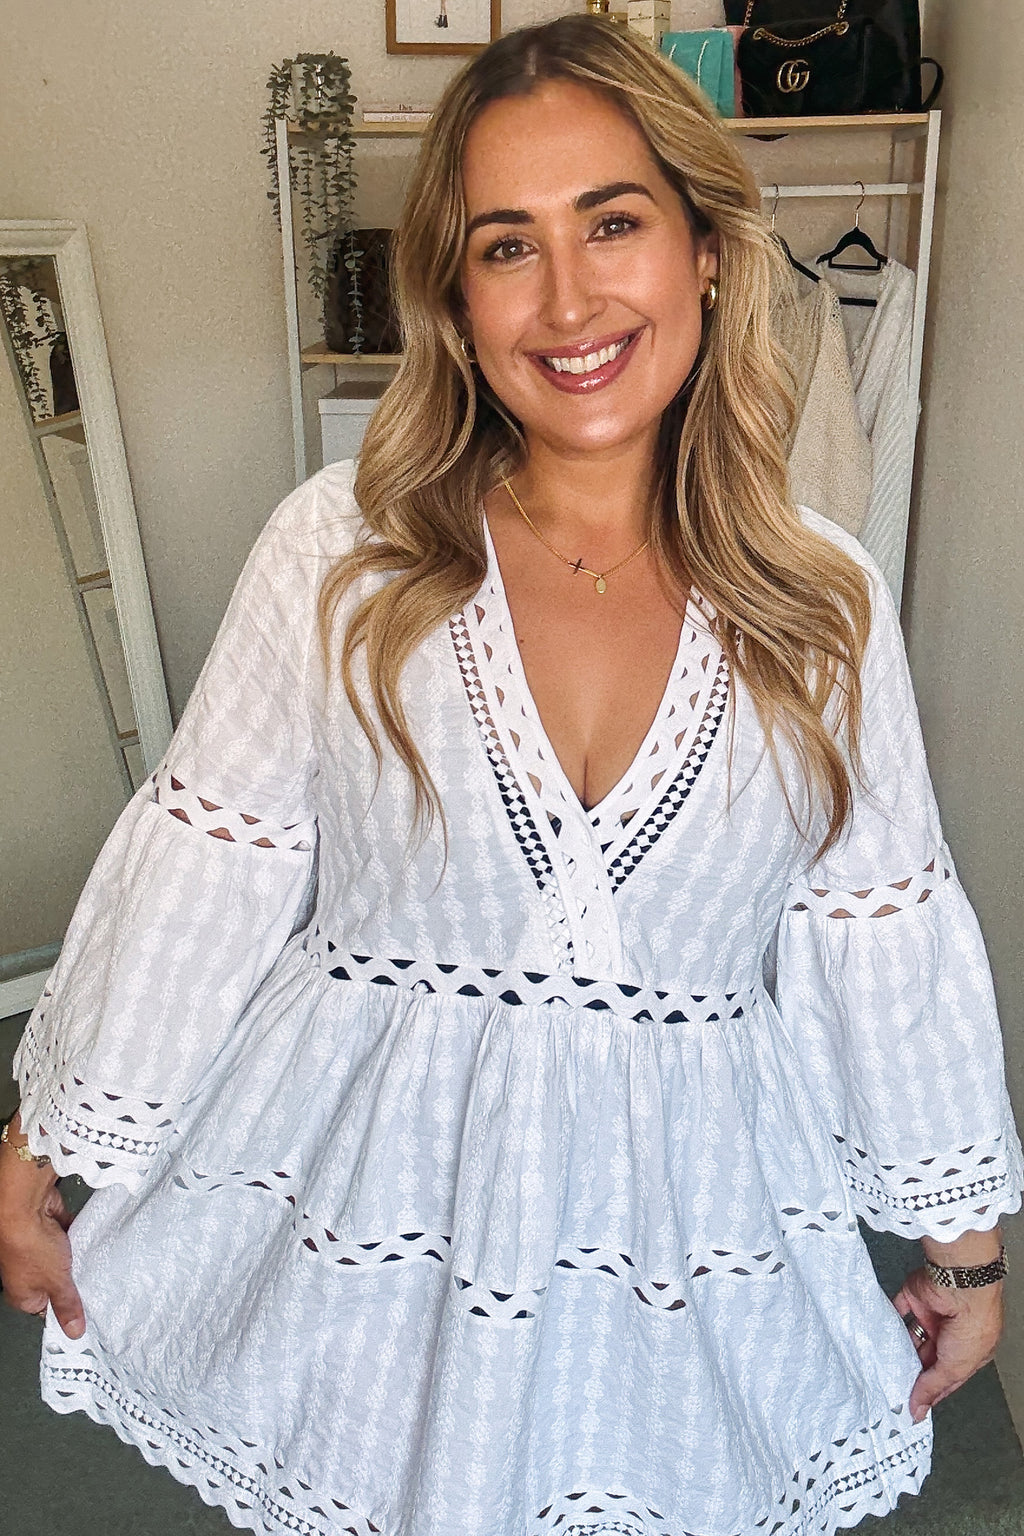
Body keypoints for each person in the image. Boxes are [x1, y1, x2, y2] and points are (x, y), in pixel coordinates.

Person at [1, 15, 1020, 1535]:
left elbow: (880, 937)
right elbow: (213, 870)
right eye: (506, 246)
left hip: (684, 1248)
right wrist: (51, 1141)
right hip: (373, 1226)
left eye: (613, 223)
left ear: (706, 251)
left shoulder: (823, 603)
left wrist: (964, 1252)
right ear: (457, 299)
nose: (568, 299)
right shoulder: (343, 553)